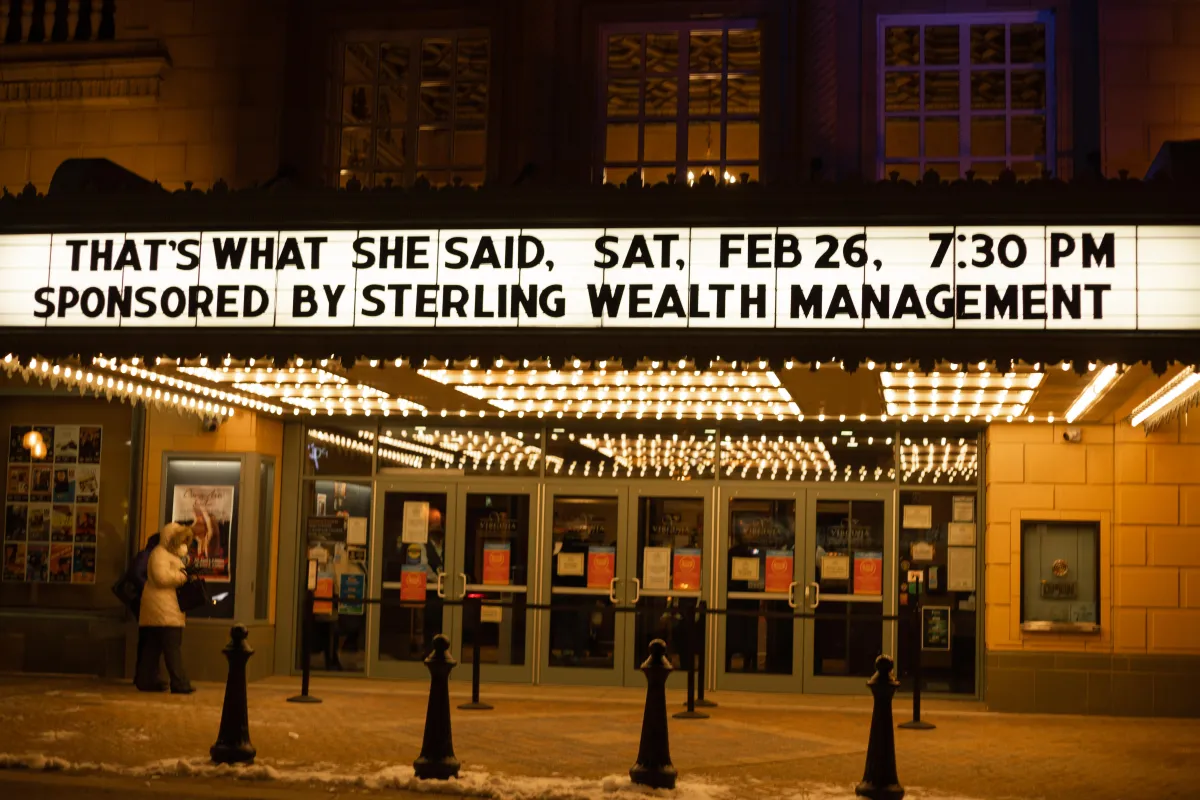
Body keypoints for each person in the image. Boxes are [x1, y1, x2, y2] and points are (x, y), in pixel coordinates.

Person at [136, 523, 195, 694]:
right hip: (164, 609)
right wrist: (182, 576)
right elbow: (162, 578)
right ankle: (180, 683)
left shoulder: (167, 555)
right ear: (172, 540)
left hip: (162, 608)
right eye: (181, 541)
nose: (184, 545)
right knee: (172, 647)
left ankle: (146, 680)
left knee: (153, 647)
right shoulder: (160, 555)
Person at [122, 532, 162, 691]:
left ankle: (143, 675)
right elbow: (136, 574)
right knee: (149, 639)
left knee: (147, 639)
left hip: (144, 601)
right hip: (143, 601)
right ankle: (145, 676)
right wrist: (149, 588)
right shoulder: (147, 555)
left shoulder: (149, 555)